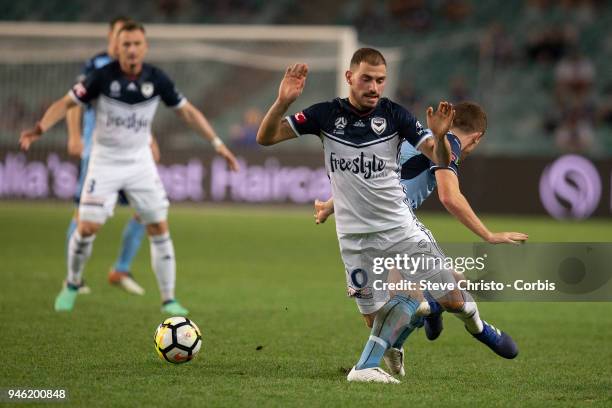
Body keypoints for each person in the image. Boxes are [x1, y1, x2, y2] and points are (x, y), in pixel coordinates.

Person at [257, 47, 458, 383]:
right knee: (374, 319)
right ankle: (394, 338)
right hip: (353, 238)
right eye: (366, 79)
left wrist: (439, 136)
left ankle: (367, 365)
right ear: (350, 77)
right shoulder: (324, 115)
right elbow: (266, 138)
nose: (374, 87)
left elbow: (440, 158)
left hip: (399, 228)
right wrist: (283, 102)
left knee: (450, 296)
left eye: (380, 80)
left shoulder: (396, 115)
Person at [19, 21, 240, 315]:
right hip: (105, 161)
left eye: (137, 44)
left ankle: (168, 299)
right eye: (126, 44)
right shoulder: (100, 77)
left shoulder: (157, 79)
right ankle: (72, 284)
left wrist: (217, 143)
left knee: (159, 226)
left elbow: (187, 112)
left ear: (145, 47)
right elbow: (65, 103)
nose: (132, 50)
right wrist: (39, 128)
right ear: (117, 48)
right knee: (86, 228)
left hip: (140, 163)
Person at [314, 101, 526, 376]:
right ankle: (435, 313)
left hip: (388, 228)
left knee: (409, 301)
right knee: (388, 312)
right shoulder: (447, 145)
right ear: (477, 138)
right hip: (385, 226)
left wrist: (330, 206)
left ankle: (474, 327)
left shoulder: (415, 138)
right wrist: (488, 234)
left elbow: (374, 175)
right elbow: (449, 195)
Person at [65, 16, 152, 296]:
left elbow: (137, 112)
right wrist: (75, 136)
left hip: (132, 156)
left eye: (131, 39)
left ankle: (120, 269)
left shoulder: (138, 72)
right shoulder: (96, 66)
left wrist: (151, 140)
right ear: (111, 37)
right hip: (98, 153)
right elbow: (73, 102)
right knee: (84, 216)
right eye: (119, 37)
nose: (125, 44)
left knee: (145, 212)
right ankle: (74, 279)